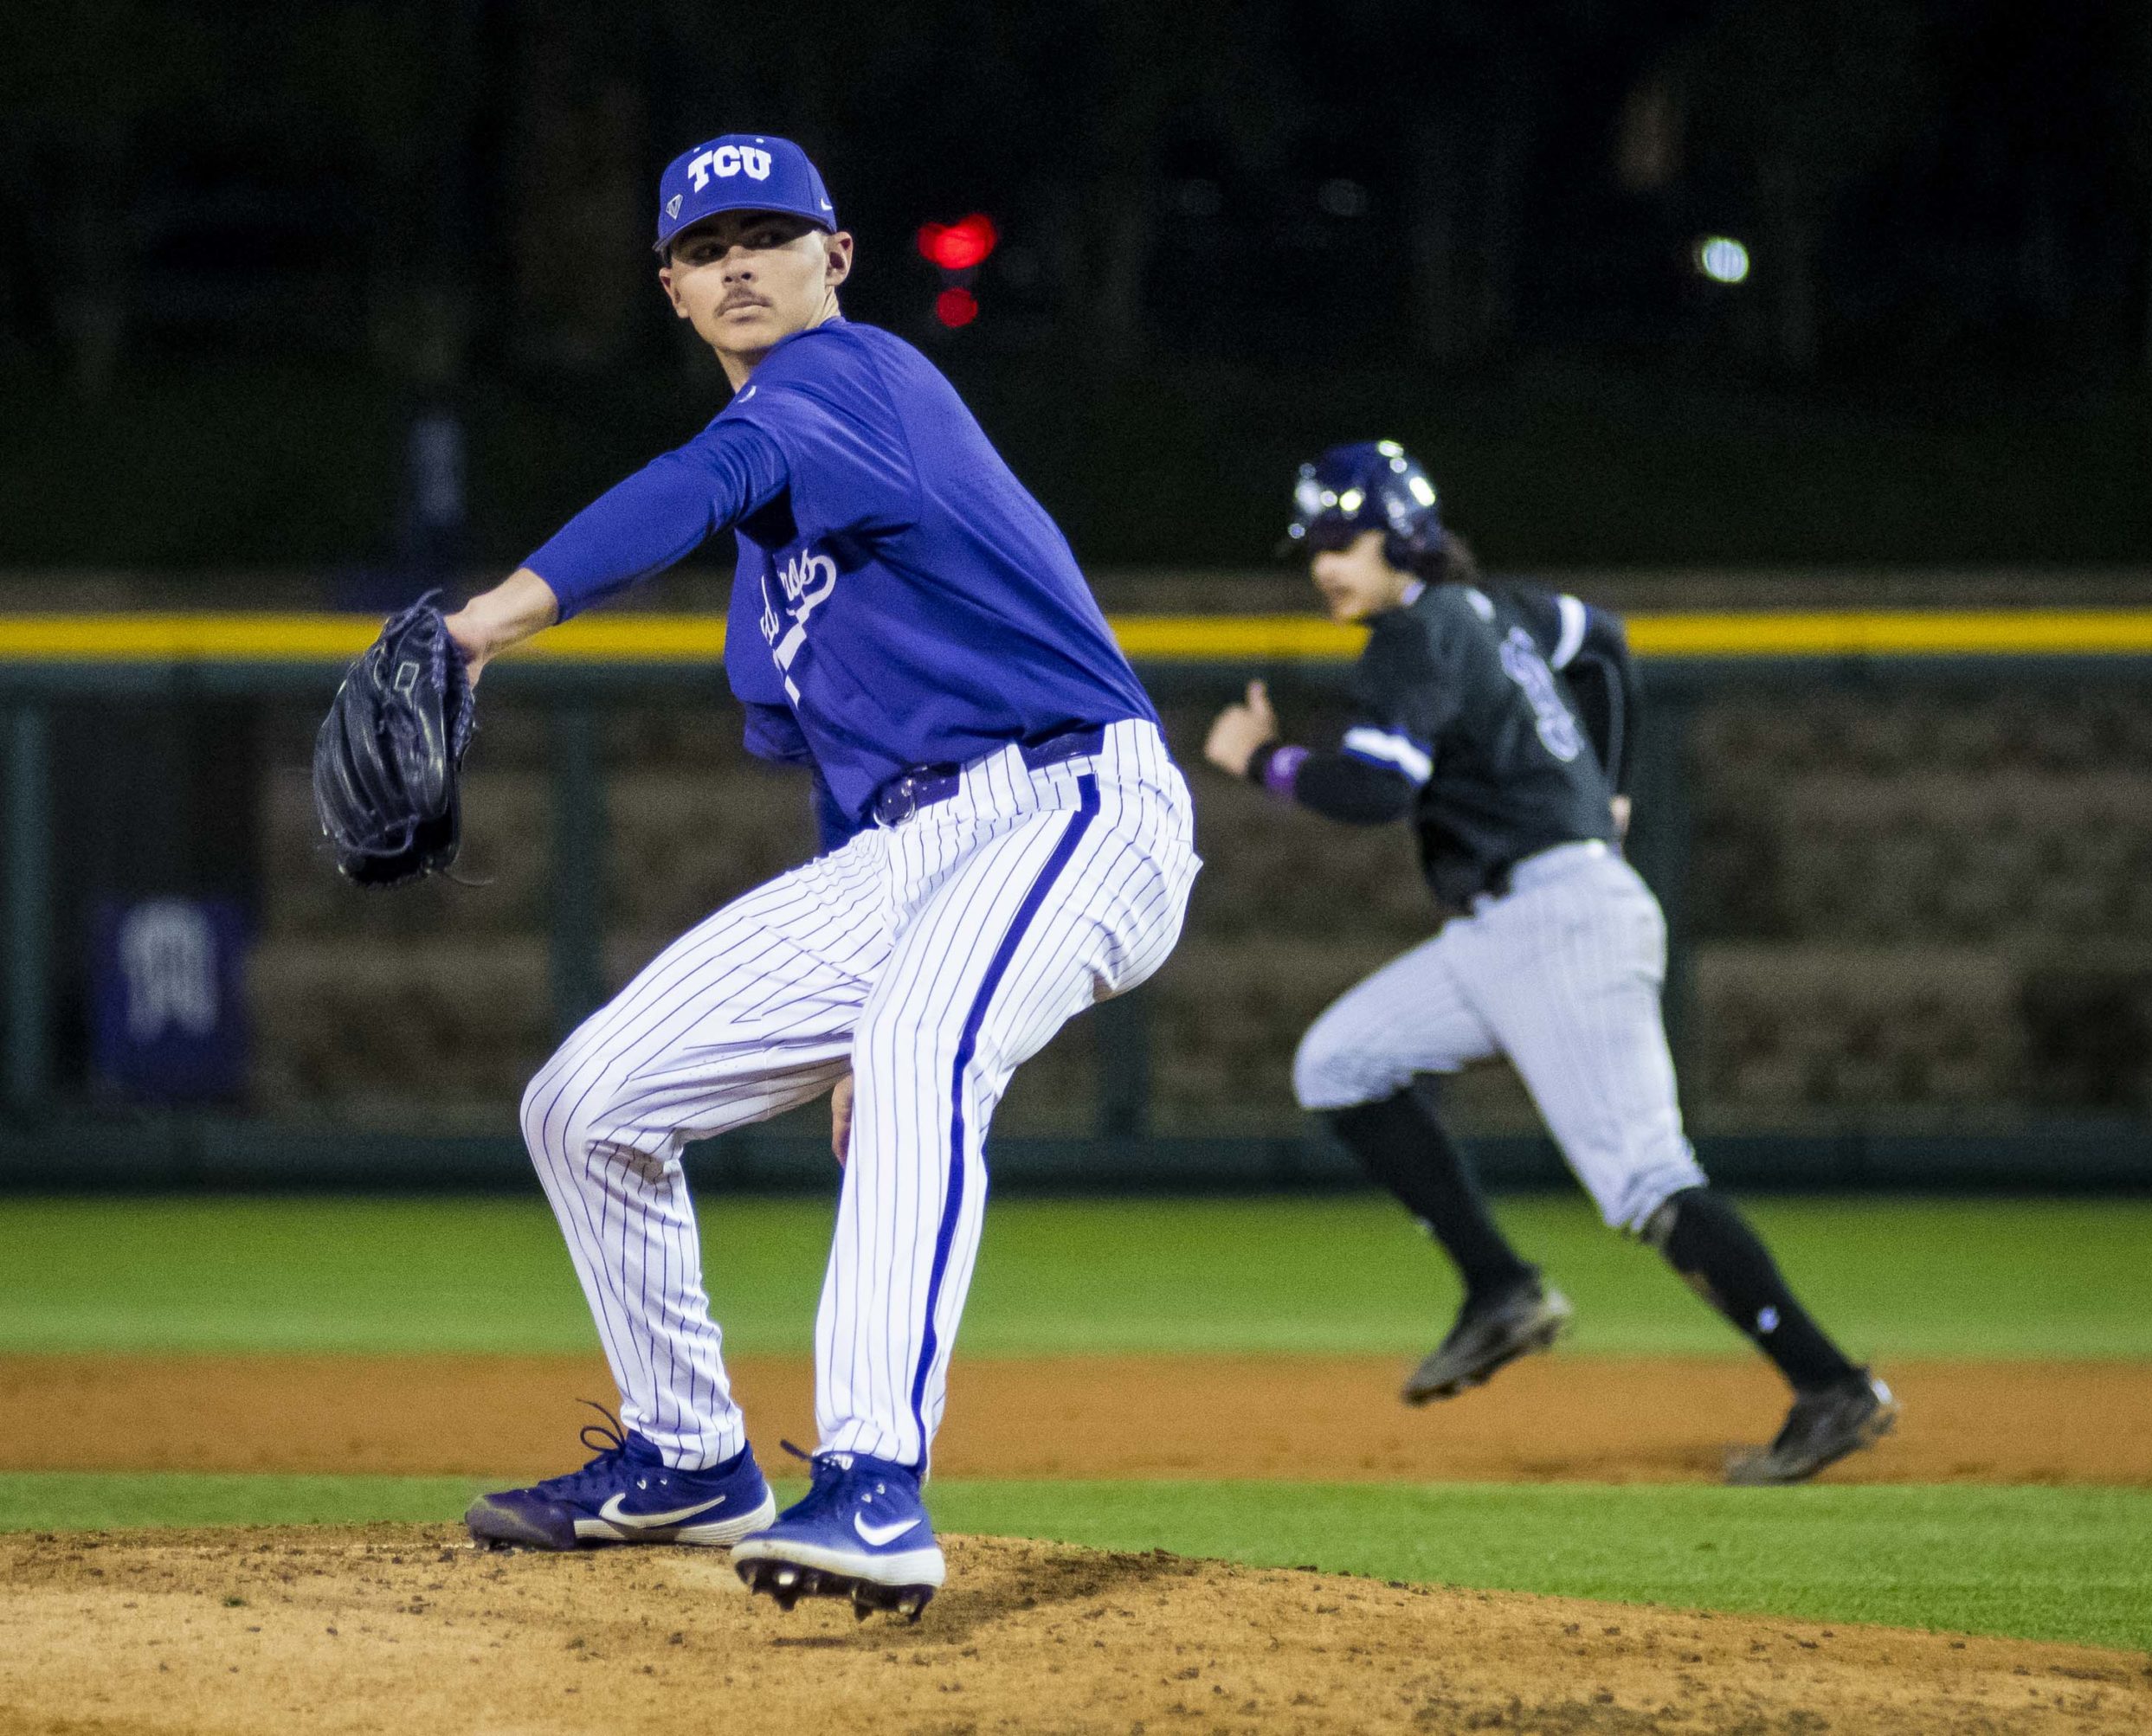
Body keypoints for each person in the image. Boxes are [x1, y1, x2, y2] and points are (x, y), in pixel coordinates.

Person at [448, 134, 1199, 1617]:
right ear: (669, 287)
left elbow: (703, 474)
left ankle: (872, 1483)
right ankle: (686, 1449)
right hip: (901, 851)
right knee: (586, 1103)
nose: (741, 263)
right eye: (706, 246)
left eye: (771, 234)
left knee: (929, 1040)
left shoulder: (855, 380)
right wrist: (857, 995)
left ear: (834, 258)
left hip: (1074, 796)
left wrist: (486, 623)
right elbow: (853, 791)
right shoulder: (769, 594)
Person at [1202, 440, 1893, 1485]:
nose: (1326, 564)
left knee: (1646, 1181)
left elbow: (1376, 791)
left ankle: (1831, 1383)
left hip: (1559, 924)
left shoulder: (1412, 633)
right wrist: (1610, 787)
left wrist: (1259, 758)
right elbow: (1605, 643)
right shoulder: (1503, 610)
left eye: (1345, 537)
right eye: (1314, 546)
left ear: (1405, 531)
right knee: (1339, 1062)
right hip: (1503, 927)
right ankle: (1499, 1287)